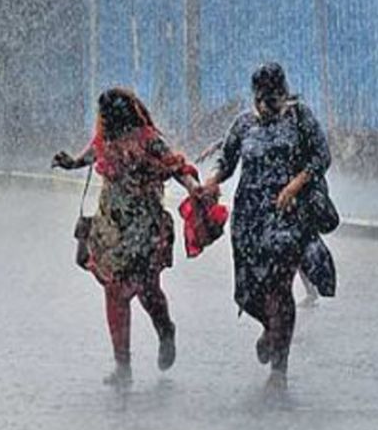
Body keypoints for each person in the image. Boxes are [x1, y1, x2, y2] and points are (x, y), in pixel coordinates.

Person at [54, 88, 197, 386]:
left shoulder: (148, 139)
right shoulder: (105, 138)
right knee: (114, 291)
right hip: (112, 228)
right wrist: (70, 162)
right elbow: (89, 156)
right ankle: (123, 365)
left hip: (144, 227)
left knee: (147, 289)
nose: (104, 122)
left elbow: (176, 166)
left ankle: (165, 329)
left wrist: (194, 188)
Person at [200, 63, 331, 389]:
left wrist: (294, 185)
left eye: (272, 99)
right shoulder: (243, 123)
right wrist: (214, 181)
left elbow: (321, 156)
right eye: (260, 99)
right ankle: (271, 329)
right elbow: (228, 160)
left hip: (287, 217)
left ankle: (279, 369)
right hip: (249, 220)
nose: (265, 106)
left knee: (279, 287)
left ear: (283, 94)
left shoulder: (300, 118)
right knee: (249, 292)